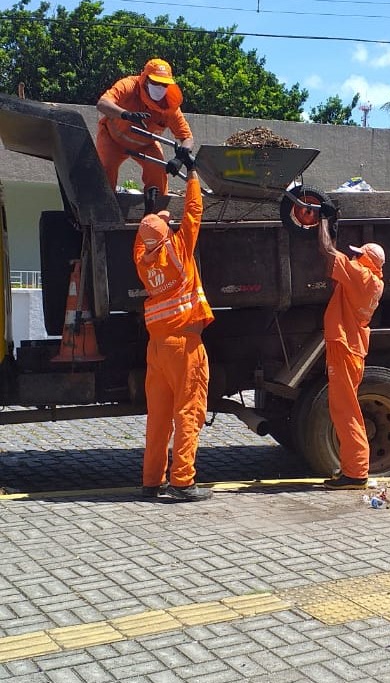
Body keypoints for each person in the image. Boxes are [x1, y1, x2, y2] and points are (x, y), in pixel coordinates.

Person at [133, 148, 214, 502]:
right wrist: (192, 173)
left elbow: (144, 236)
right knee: (189, 411)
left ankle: (152, 481)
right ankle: (182, 482)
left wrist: (155, 216)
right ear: (167, 234)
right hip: (184, 345)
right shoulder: (180, 251)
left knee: (159, 417)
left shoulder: (143, 261)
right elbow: (194, 212)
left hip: (157, 349)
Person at [317, 215, 385, 489]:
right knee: (345, 409)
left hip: (345, 347)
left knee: (346, 411)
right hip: (351, 347)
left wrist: (322, 220)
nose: (354, 257)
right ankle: (352, 468)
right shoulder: (372, 281)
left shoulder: (362, 276)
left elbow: (327, 251)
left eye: (359, 255)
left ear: (367, 261)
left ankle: (356, 473)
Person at [96, 58, 194, 196]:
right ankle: (104, 210)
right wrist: (126, 115)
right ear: (145, 79)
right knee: (105, 173)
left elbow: (187, 138)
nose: (160, 87)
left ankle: (156, 211)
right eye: (155, 82)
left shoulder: (169, 107)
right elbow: (102, 104)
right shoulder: (128, 86)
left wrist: (180, 158)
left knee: (159, 170)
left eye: (164, 84)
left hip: (145, 145)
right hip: (112, 139)